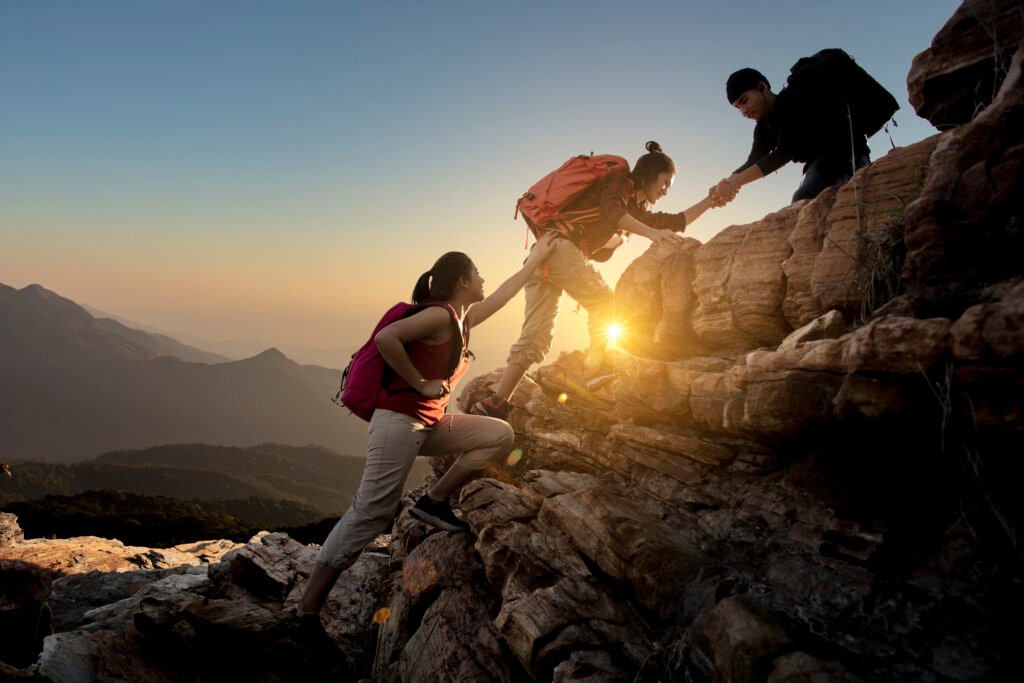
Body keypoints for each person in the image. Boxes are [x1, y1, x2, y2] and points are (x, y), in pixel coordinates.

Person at [299, 234, 557, 617]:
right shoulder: (438, 315)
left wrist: (536, 260)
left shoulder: (460, 319)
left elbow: (502, 294)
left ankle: (432, 501)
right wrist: (420, 383)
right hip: (399, 423)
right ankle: (307, 608)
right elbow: (387, 338)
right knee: (371, 511)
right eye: (477, 273)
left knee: (498, 435)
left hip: (427, 423)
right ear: (463, 282)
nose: (483, 278)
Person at [470, 141, 718, 421]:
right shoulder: (618, 182)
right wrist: (650, 234)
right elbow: (614, 213)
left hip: (544, 252)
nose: (666, 190)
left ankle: (496, 402)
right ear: (652, 173)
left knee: (536, 334)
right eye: (665, 182)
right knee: (604, 302)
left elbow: (672, 221)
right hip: (561, 249)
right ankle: (596, 372)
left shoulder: (631, 204)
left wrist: (710, 201)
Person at [710, 66, 872, 206]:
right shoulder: (763, 128)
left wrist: (735, 183)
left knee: (803, 201)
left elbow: (783, 154)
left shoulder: (793, 100)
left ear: (761, 86)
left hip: (845, 155)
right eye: (738, 107)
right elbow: (754, 160)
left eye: (744, 101)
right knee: (804, 206)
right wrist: (726, 183)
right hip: (818, 166)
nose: (743, 111)